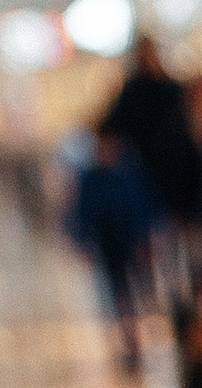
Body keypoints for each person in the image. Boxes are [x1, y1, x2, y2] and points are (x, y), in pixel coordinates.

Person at [102, 35, 202, 276]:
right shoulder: (136, 92)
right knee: (163, 241)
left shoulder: (164, 88)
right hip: (150, 177)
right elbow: (111, 128)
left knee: (180, 240)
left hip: (177, 173)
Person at [66, 126, 159, 357]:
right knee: (120, 293)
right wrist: (82, 241)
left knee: (140, 291)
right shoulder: (91, 177)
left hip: (132, 242)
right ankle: (131, 340)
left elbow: (144, 206)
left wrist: (146, 235)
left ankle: (147, 335)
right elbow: (82, 212)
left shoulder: (128, 172)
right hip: (109, 244)